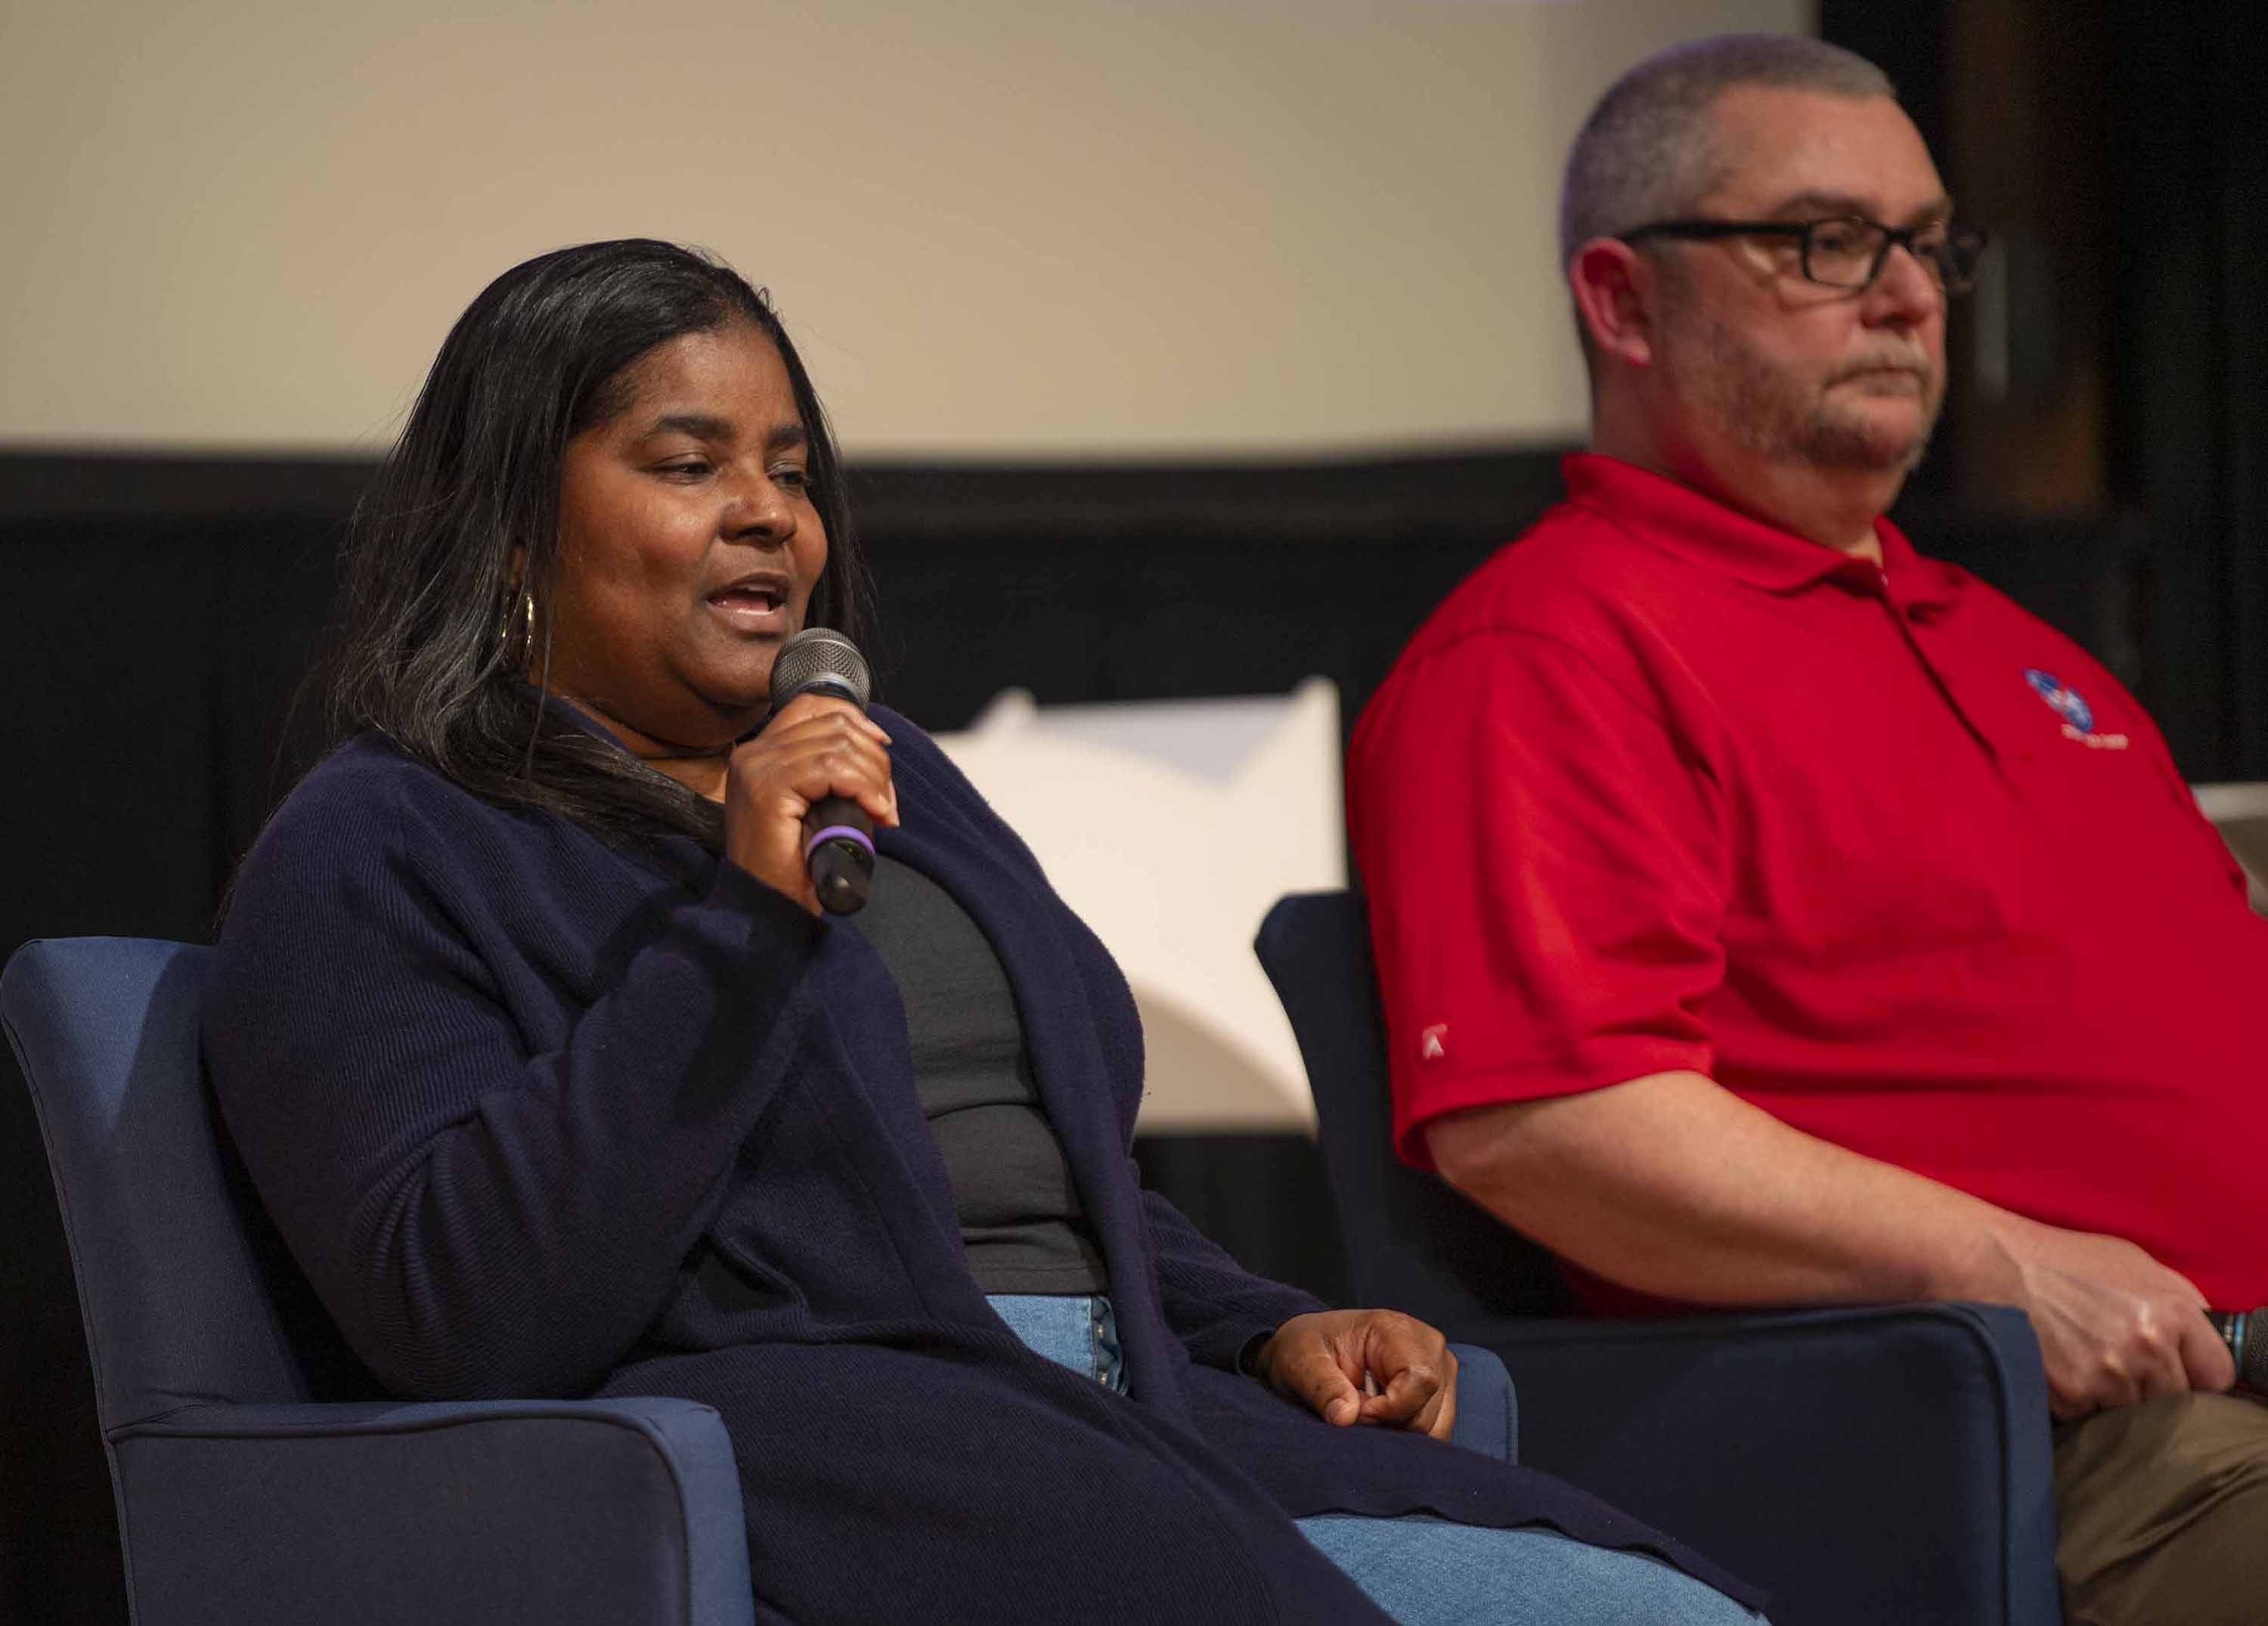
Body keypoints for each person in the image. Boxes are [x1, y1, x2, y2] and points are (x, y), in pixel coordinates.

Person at [204, 238, 1763, 1625]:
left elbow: (1049, 1165)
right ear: (509, 531)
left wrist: (1263, 1323)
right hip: (855, 1440)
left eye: (793, 469)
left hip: (1139, 1405)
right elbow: (459, 1303)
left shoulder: (895, 777)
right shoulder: (386, 837)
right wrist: (735, 926)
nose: (768, 513)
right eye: (690, 465)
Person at [1348, 33, 2268, 1626]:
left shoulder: (2015, 642)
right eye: (1826, 242)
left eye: (1928, 244)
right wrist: (2007, 1265)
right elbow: (1552, 1119)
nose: (1909, 296)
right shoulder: (1553, 645)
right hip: (2028, 1433)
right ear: (1625, 300)